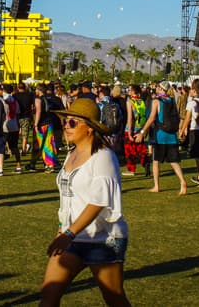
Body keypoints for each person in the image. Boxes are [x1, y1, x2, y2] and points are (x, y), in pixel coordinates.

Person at [38, 98, 130, 306]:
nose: (66, 127)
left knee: (114, 298)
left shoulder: (103, 157)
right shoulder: (71, 153)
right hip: (72, 237)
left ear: (89, 129)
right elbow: (68, 199)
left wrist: (69, 233)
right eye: (65, 122)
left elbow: (98, 202)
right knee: (49, 293)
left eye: (72, 123)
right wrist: (63, 229)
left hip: (103, 239)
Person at [136, 83, 187, 195]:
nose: (156, 89)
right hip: (172, 136)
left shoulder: (156, 102)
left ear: (161, 89)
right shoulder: (171, 101)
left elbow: (151, 119)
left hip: (160, 135)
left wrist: (142, 132)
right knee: (174, 162)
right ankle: (182, 181)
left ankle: (156, 186)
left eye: (158, 88)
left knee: (155, 161)